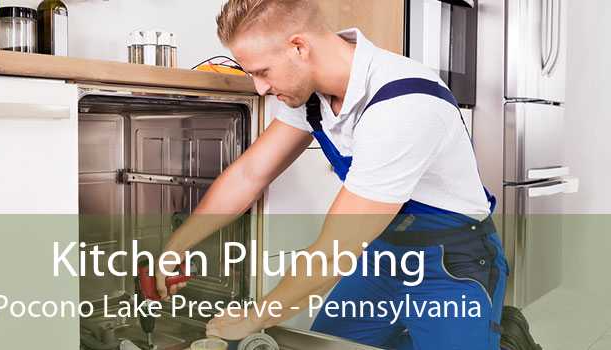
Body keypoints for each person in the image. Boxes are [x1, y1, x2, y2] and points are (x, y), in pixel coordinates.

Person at [155, 0, 508, 349]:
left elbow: (336, 250)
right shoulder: (312, 95)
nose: (260, 88)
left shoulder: (404, 103)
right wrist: (177, 245)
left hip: (450, 264)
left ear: (299, 47)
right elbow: (250, 174)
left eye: (263, 72)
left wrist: (256, 316)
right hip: (381, 255)